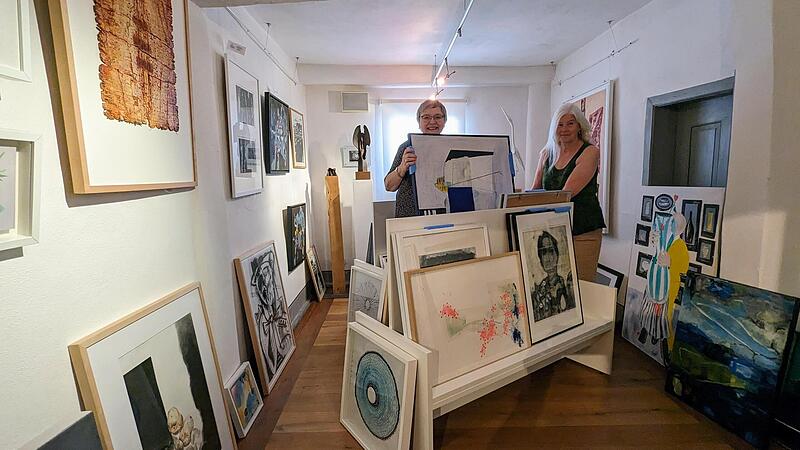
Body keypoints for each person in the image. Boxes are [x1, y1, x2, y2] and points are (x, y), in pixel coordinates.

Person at [532, 103, 606, 281]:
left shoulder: (590, 152)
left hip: (583, 230)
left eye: (570, 123)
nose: (565, 129)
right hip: (552, 230)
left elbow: (566, 194)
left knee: (581, 285)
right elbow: (535, 190)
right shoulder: (547, 154)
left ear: (579, 126)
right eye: (560, 124)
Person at [384, 99, 447, 217]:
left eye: (438, 117)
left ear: (444, 121)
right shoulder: (407, 147)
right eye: (426, 117)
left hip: (442, 214)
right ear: (419, 122)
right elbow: (389, 186)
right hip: (410, 216)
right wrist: (402, 167)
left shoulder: (452, 147)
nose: (432, 122)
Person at [531, 230, 575, 321]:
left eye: (551, 251)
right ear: (540, 258)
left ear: (557, 255)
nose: (548, 258)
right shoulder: (538, 291)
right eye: (544, 253)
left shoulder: (566, 285)